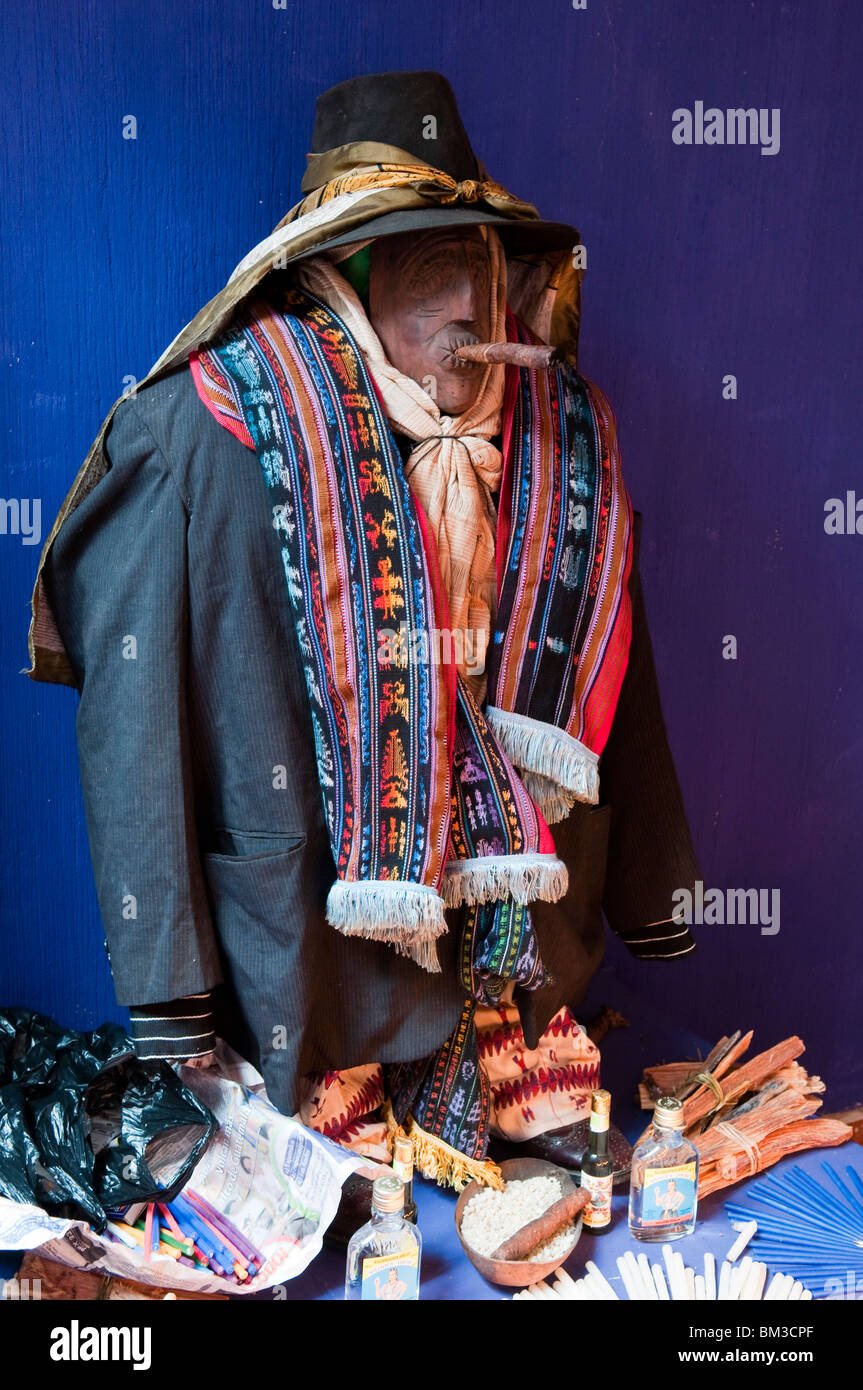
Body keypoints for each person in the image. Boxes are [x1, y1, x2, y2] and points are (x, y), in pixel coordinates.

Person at [27, 71, 700, 1187]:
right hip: (305, 966)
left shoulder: (564, 430)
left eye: (474, 258)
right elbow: (133, 722)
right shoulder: (205, 433)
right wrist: (169, 998)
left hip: (519, 953)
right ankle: (348, 1089)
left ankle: (502, 1060)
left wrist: (653, 889)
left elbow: (624, 676)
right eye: (422, 258)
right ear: (340, 268)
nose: (467, 305)